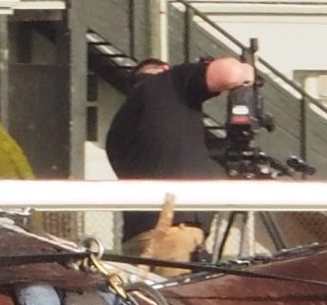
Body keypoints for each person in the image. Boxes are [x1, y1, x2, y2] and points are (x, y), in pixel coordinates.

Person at [104, 52, 257, 259]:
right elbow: (229, 74)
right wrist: (247, 71)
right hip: (174, 231)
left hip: (137, 237)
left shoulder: (120, 127)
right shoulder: (169, 82)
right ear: (165, 70)